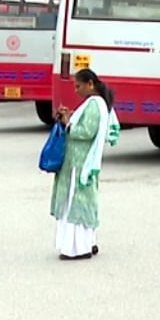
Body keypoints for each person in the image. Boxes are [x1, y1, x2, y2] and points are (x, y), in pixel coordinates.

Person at [49, 69, 120, 260]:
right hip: (77, 163)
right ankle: (86, 243)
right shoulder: (94, 103)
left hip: (80, 164)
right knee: (79, 201)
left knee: (76, 202)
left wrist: (68, 123)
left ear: (90, 84)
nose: (76, 90)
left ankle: (78, 248)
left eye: (78, 86)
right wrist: (69, 117)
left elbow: (87, 131)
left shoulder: (95, 104)